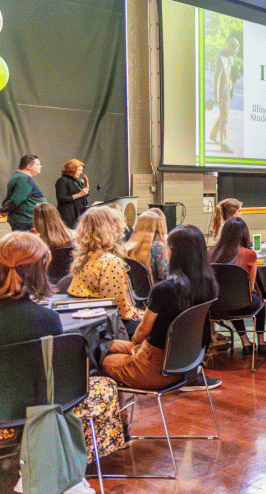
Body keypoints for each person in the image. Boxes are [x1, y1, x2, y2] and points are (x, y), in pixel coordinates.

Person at [0, 232, 126, 494]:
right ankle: (66, 471)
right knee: (104, 388)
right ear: (38, 272)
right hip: (34, 418)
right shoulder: (48, 321)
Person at [102, 225, 220, 390]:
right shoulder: (209, 284)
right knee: (109, 346)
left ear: (172, 251)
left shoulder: (164, 289)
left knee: (99, 358)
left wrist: (134, 343)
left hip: (153, 370)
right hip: (186, 364)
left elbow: (143, 331)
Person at [68, 206, 143, 335]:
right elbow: (119, 310)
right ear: (113, 229)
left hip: (89, 323)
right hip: (108, 327)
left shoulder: (83, 259)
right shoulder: (110, 261)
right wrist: (137, 314)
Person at [208, 217, 266, 355]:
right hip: (241, 304)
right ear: (244, 233)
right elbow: (250, 288)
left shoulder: (210, 252)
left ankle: (245, 341)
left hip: (214, 306)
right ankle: (261, 341)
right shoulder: (249, 255)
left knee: (230, 299)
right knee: (258, 302)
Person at [208, 36, 240, 153]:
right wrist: (215, 96)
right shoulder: (220, 57)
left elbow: (230, 73)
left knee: (223, 115)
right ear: (230, 47)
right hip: (222, 93)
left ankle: (213, 135)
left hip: (228, 91)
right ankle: (224, 144)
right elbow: (216, 77)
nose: (235, 53)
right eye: (235, 50)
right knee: (224, 117)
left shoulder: (230, 56)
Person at [1, 155, 46, 231]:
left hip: (24, 222)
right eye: (37, 164)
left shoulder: (19, 177)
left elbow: (10, 199)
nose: (40, 166)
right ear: (29, 166)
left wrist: (5, 209)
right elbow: (15, 201)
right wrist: (4, 210)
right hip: (25, 223)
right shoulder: (23, 179)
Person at [125, 210, 169, 285]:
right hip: (154, 291)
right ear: (158, 227)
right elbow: (163, 275)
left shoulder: (127, 247)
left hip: (135, 293)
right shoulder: (157, 246)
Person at [55, 158, 89, 229]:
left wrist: (86, 183)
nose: (81, 172)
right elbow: (61, 199)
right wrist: (80, 194)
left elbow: (84, 194)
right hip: (67, 216)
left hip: (77, 215)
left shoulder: (75, 181)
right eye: (79, 170)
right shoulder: (62, 180)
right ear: (71, 170)